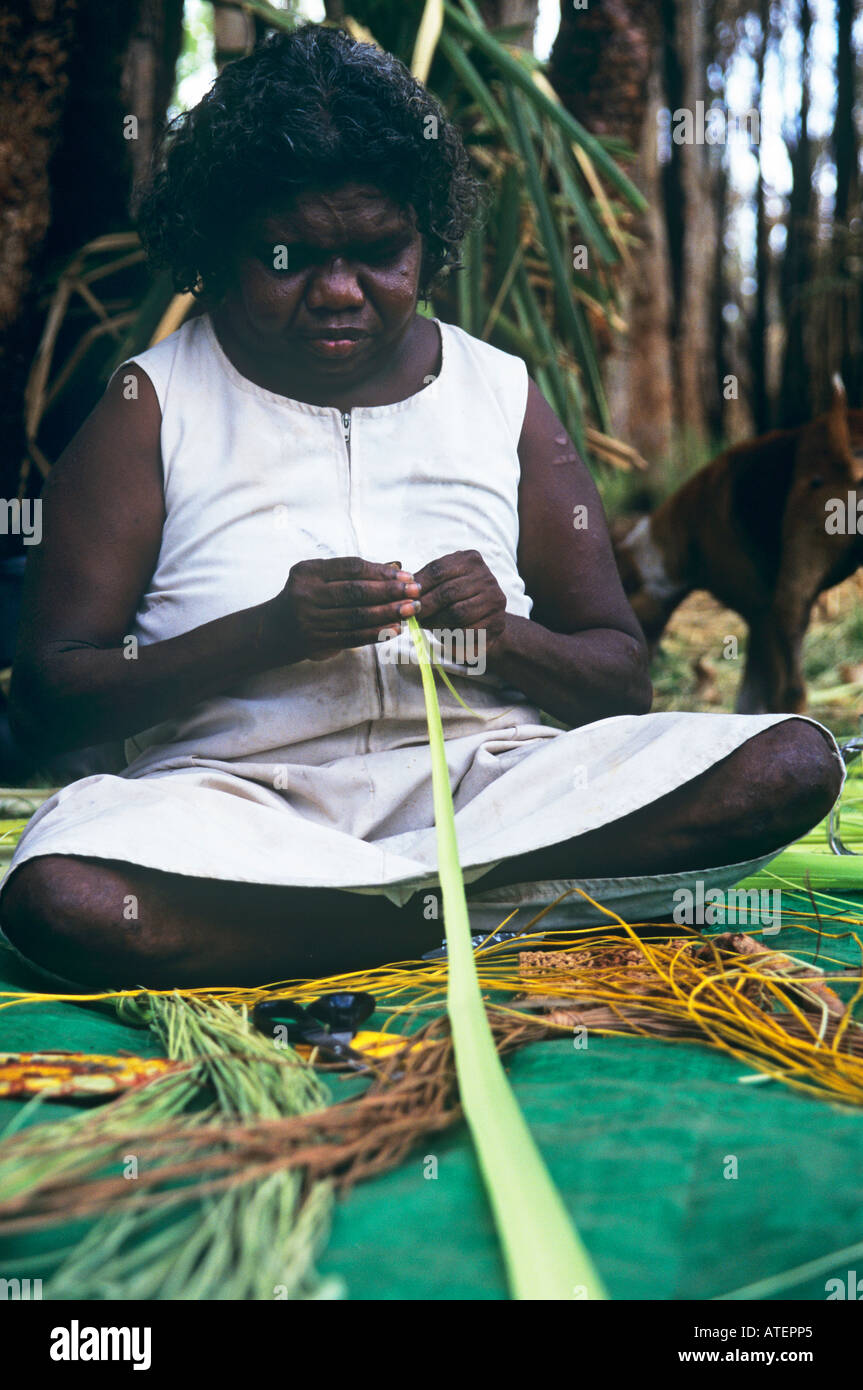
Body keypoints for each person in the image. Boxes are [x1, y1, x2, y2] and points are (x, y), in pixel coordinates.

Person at [0, 26, 843, 987]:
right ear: (224, 244)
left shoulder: (499, 394)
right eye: (290, 257)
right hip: (234, 813)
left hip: (493, 798)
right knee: (64, 897)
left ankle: (351, 927)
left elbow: (619, 681)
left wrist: (504, 637)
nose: (338, 292)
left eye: (377, 254)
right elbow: (47, 706)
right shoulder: (151, 404)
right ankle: (446, 923)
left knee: (788, 765)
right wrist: (269, 632)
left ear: (426, 243)